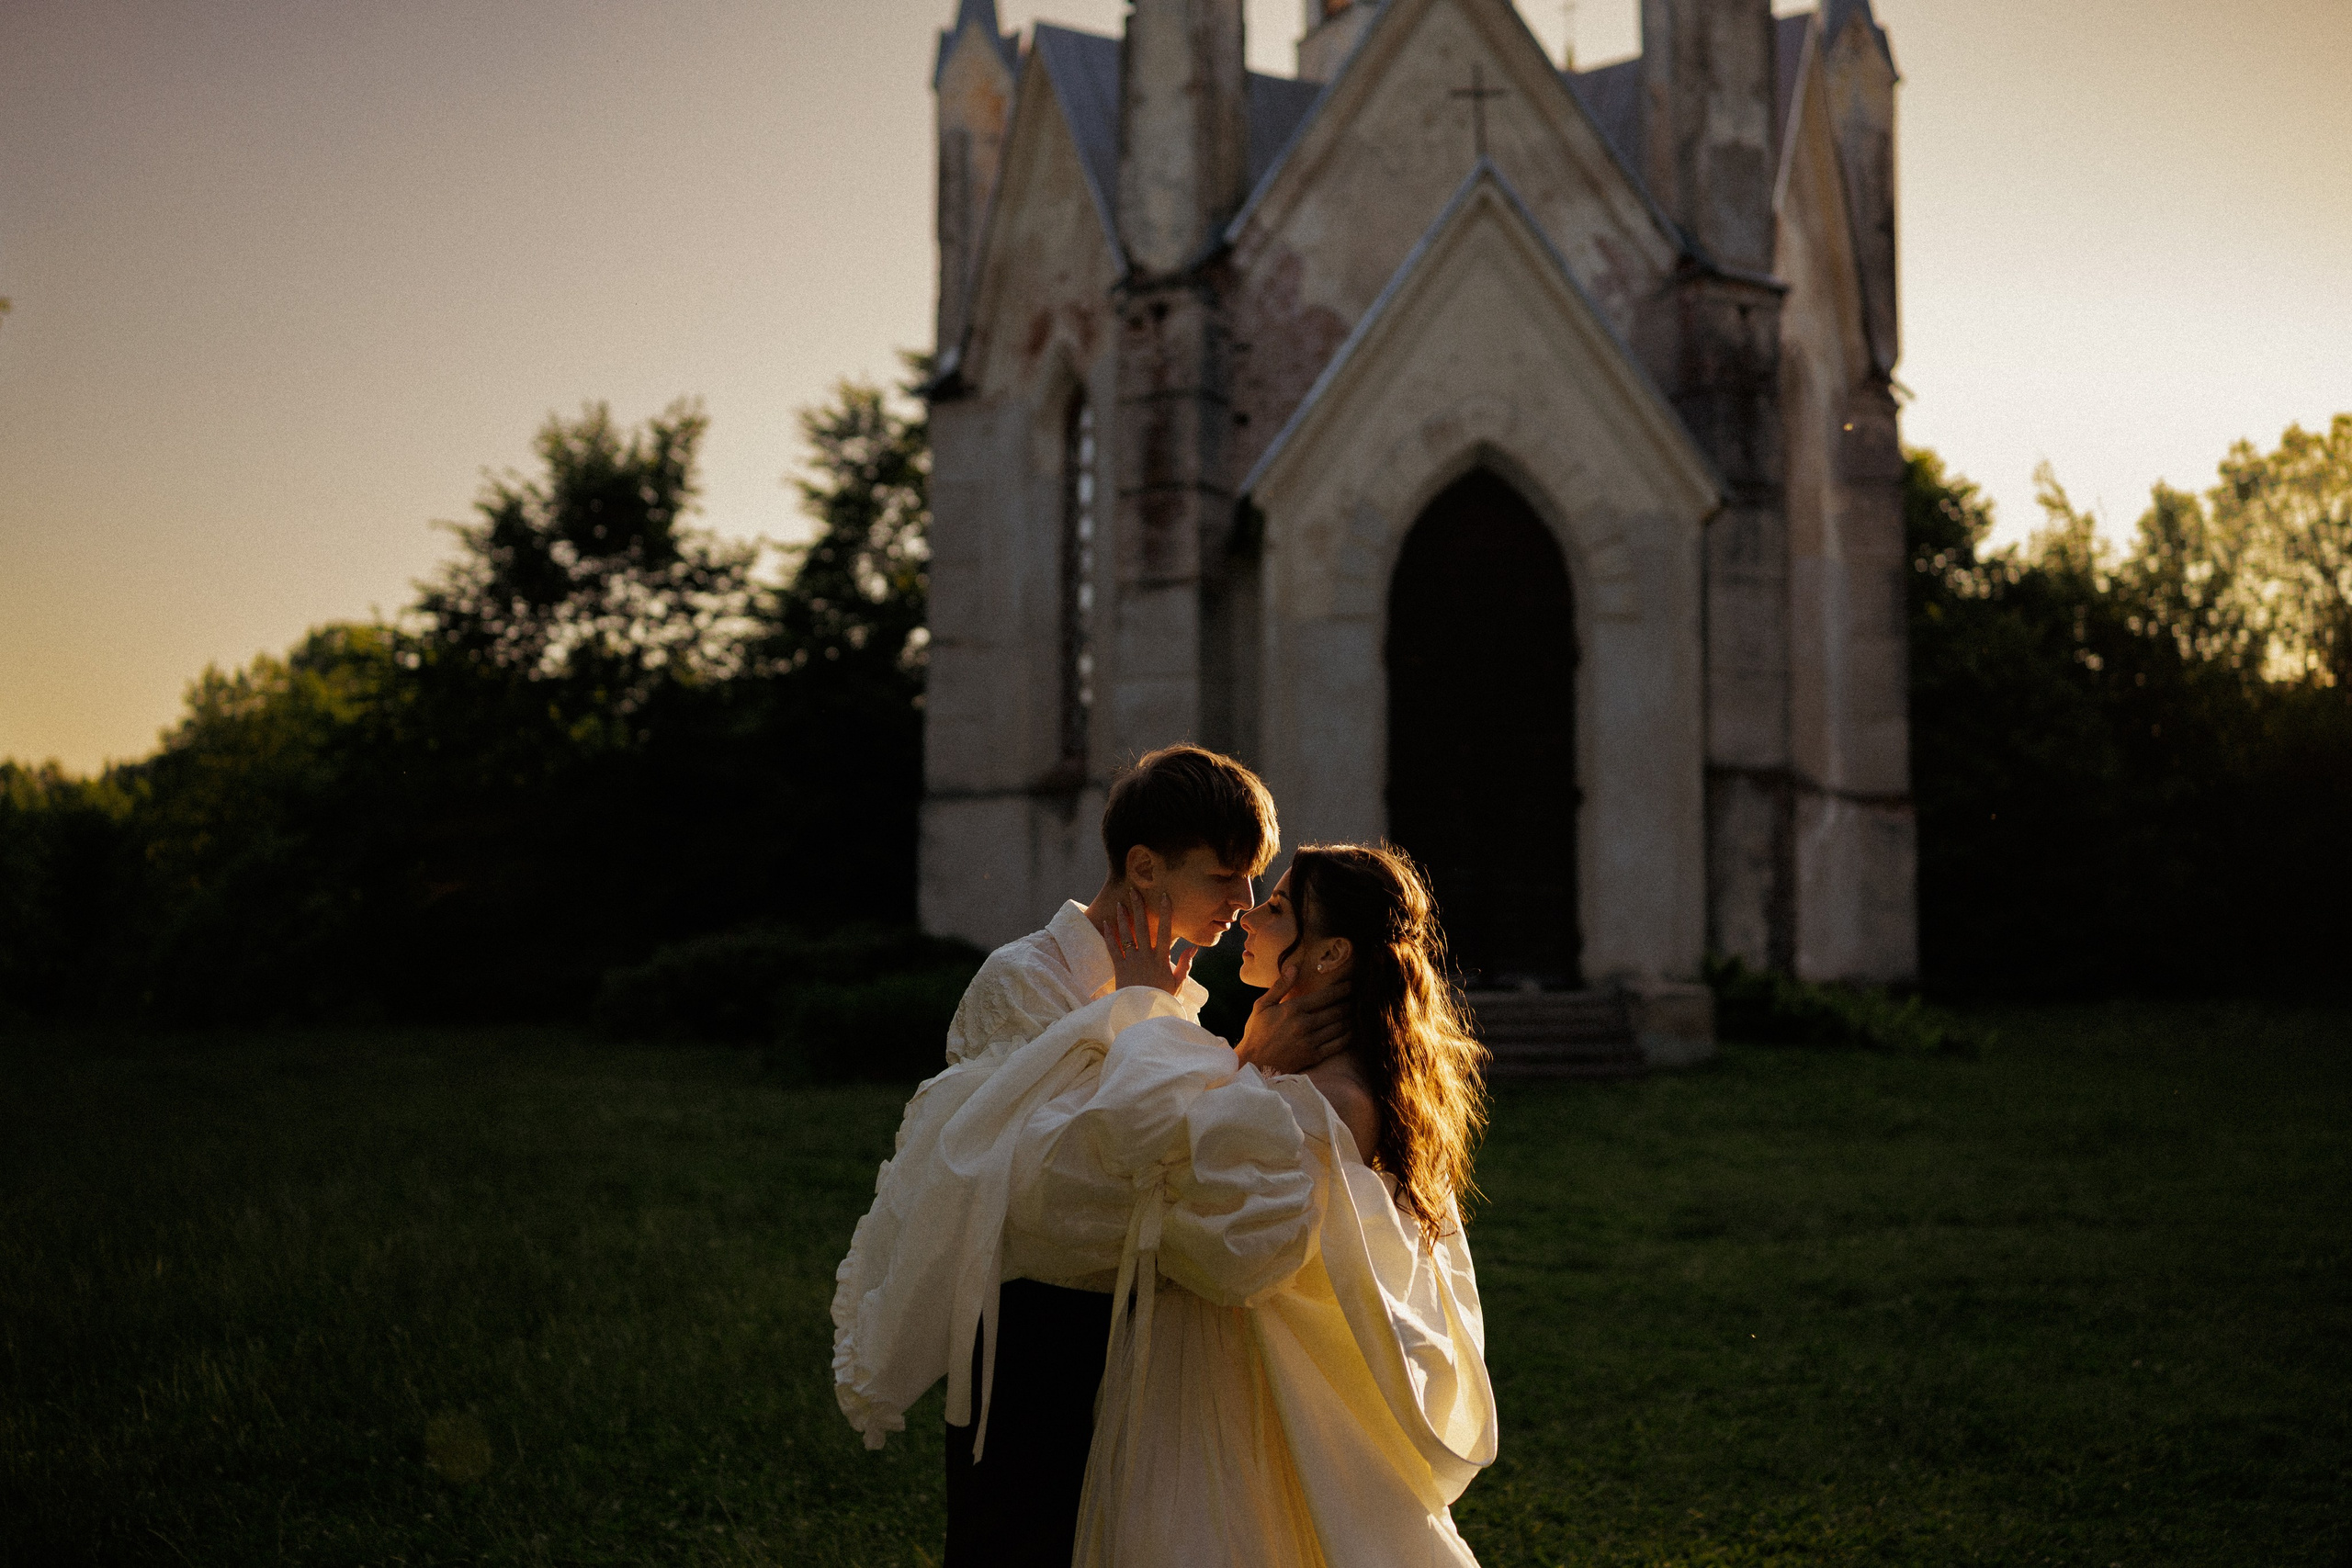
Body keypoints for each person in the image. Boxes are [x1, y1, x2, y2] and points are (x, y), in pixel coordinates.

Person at [829, 745, 1351, 1567]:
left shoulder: (1171, 989)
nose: (1245, 904)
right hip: (1028, 1320)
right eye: (1225, 876)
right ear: (1144, 867)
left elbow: (1179, 1155)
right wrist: (1181, 1033)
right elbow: (1080, 1167)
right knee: (1015, 1536)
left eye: (1254, 880)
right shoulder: (1027, 977)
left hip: (1137, 1321)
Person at [1046, 842, 1498, 1567]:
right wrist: (1248, 1059)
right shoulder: (1321, 1074)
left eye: (1280, 908)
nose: (1251, 915)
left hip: (1235, 1398)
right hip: (1223, 1372)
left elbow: (1179, 1199)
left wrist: (1145, 1011)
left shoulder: (1324, 1098)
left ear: (1330, 954)